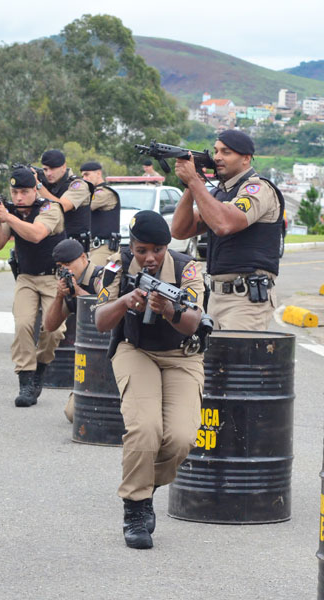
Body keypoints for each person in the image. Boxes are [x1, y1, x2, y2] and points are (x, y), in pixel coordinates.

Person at [95, 210, 204, 549]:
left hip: (181, 355)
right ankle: (136, 508)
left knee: (181, 437)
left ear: (167, 247)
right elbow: (99, 319)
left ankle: (145, 485)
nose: (150, 257)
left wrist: (169, 310)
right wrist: (127, 301)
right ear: (133, 247)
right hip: (135, 349)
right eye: (142, 250)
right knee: (145, 428)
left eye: (157, 249)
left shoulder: (187, 268)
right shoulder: (116, 265)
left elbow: (196, 321)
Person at [171, 129, 284, 330]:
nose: (217, 157)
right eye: (215, 151)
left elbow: (225, 224)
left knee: (237, 359)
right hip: (216, 296)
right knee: (214, 361)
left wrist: (196, 182)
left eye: (226, 152)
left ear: (246, 159)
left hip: (245, 299)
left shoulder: (257, 189)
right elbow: (180, 230)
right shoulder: (218, 194)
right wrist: (190, 185)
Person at [0, 166, 66, 407]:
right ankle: (25, 382)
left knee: (54, 330)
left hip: (53, 278)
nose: (19, 198)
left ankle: (40, 371)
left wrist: (9, 217)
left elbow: (36, 234)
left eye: (24, 191)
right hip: (26, 277)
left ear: (36, 190)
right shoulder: (12, 212)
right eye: (14, 192)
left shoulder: (49, 208)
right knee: (22, 324)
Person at [34, 149, 92, 245]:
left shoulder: (78, 185)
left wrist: (38, 185)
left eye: (52, 169)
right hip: (53, 246)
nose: (48, 173)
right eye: (45, 169)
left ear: (63, 167)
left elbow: (62, 206)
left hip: (75, 248)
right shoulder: (47, 186)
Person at [44, 238, 103, 332]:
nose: (65, 269)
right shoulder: (68, 285)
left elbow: (105, 309)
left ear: (83, 257)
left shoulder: (101, 277)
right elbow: (50, 326)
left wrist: (78, 292)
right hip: (86, 340)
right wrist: (59, 297)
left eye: (68, 263)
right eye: (60, 266)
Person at [80, 161, 121, 266]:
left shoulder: (104, 192)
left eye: (87, 174)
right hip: (93, 247)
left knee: (92, 278)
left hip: (103, 248)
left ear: (98, 173)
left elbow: (83, 207)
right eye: (82, 176)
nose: (84, 178)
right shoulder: (94, 192)